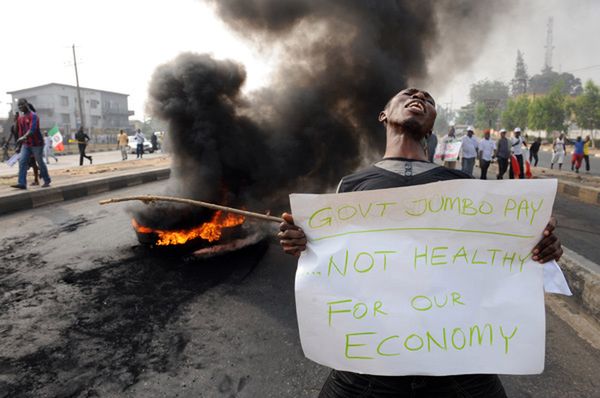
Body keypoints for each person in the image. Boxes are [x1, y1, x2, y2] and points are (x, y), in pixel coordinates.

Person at [278, 88, 564, 398]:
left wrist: (541, 247)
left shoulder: (467, 187)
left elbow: (499, 258)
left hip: (458, 364)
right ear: (383, 115)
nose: (419, 98)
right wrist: (302, 245)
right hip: (371, 364)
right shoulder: (351, 186)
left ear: (432, 125)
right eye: (408, 95)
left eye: (428, 99)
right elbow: (336, 262)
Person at [11, 99, 51, 189]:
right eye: (19, 106)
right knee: (22, 162)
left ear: (26, 104)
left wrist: (23, 138)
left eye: (22, 105)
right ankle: (22, 183)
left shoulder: (34, 116)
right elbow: (20, 133)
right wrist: (19, 145)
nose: (20, 107)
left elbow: (32, 130)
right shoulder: (21, 118)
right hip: (26, 144)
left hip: (37, 144)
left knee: (39, 161)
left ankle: (47, 180)